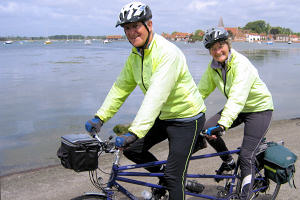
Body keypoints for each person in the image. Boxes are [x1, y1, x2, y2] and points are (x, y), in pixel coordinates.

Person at [85, 2, 206, 199]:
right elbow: (121, 87)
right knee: (131, 150)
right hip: (164, 116)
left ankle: (171, 177)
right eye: (127, 28)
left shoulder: (168, 53)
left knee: (175, 179)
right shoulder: (135, 55)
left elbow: (155, 97)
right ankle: (165, 175)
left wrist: (134, 132)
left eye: (136, 26)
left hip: (187, 119)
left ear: (149, 25)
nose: (131, 32)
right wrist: (100, 117)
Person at [195, 27, 274, 200]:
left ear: (228, 44)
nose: (218, 51)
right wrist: (182, 112)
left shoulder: (241, 64)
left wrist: (223, 125)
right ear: (209, 51)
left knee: (246, 156)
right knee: (208, 127)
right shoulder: (214, 68)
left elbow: (237, 97)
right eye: (213, 48)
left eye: (221, 45)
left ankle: (244, 196)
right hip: (239, 108)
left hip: (259, 109)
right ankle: (228, 161)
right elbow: (199, 93)